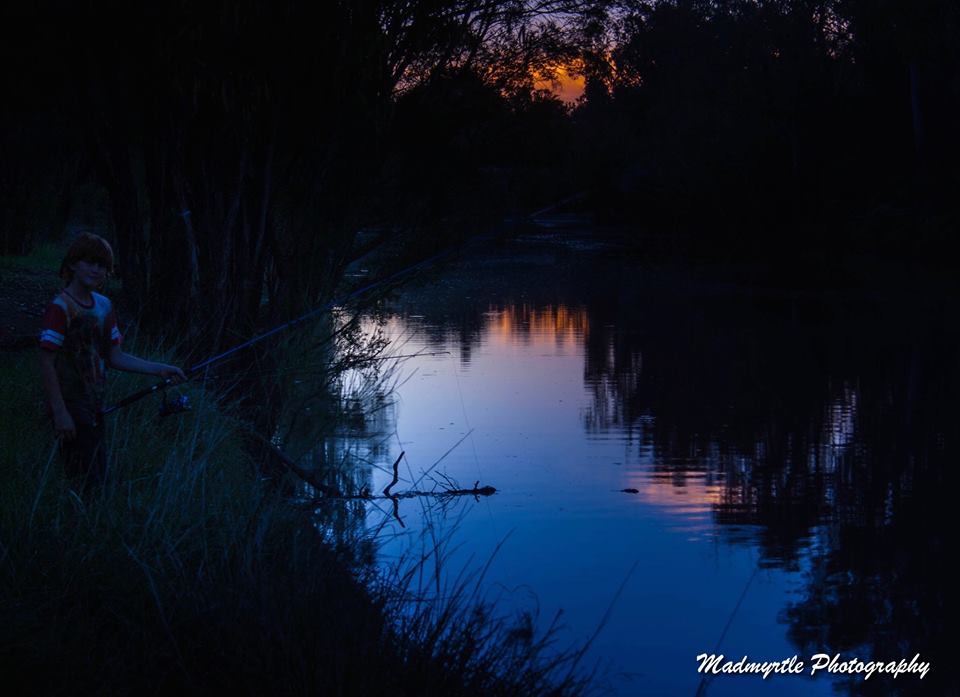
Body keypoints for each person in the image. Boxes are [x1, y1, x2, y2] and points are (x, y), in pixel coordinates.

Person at [38, 232, 186, 486]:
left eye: (103, 266)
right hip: (70, 402)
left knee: (97, 469)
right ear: (72, 264)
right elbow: (45, 361)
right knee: (85, 479)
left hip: (95, 401)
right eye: (90, 262)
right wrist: (59, 411)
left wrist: (160, 369)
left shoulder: (105, 305)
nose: (96, 270)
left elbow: (115, 357)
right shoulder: (60, 307)